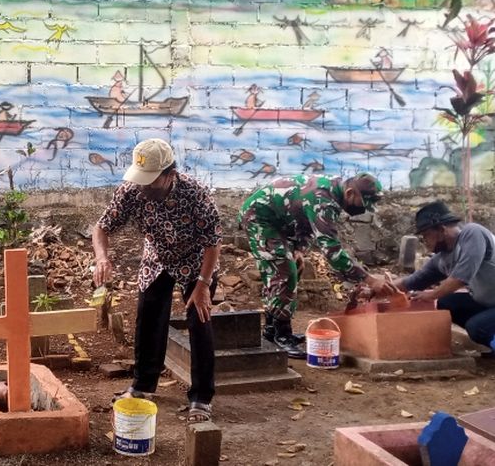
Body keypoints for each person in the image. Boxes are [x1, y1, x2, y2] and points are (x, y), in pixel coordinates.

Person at [92, 138, 221, 423]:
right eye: (141, 180)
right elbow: (101, 227)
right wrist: (102, 258)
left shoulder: (195, 194)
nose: (144, 187)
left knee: (199, 321)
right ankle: (142, 385)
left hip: (196, 260)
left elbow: (212, 244)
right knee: (148, 316)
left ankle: (201, 397)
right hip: (158, 256)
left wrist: (202, 285)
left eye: (151, 181)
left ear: (170, 174)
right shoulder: (132, 192)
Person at [238, 173, 394, 358]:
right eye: (363, 203)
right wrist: (369, 279)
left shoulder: (334, 192)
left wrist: (299, 250)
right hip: (260, 217)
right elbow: (332, 252)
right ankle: (282, 335)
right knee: (283, 270)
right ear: (350, 193)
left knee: (290, 267)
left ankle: (272, 330)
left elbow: (307, 224)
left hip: (281, 220)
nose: (364, 209)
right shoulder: (323, 200)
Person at [393, 201, 495, 355]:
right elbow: (413, 281)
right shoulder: (442, 259)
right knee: (446, 303)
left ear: (441, 229)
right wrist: (378, 289)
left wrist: (431, 294)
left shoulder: (472, 233)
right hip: (489, 303)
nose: (425, 241)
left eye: (426, 235)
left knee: (477, 327)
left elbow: (461, 277)